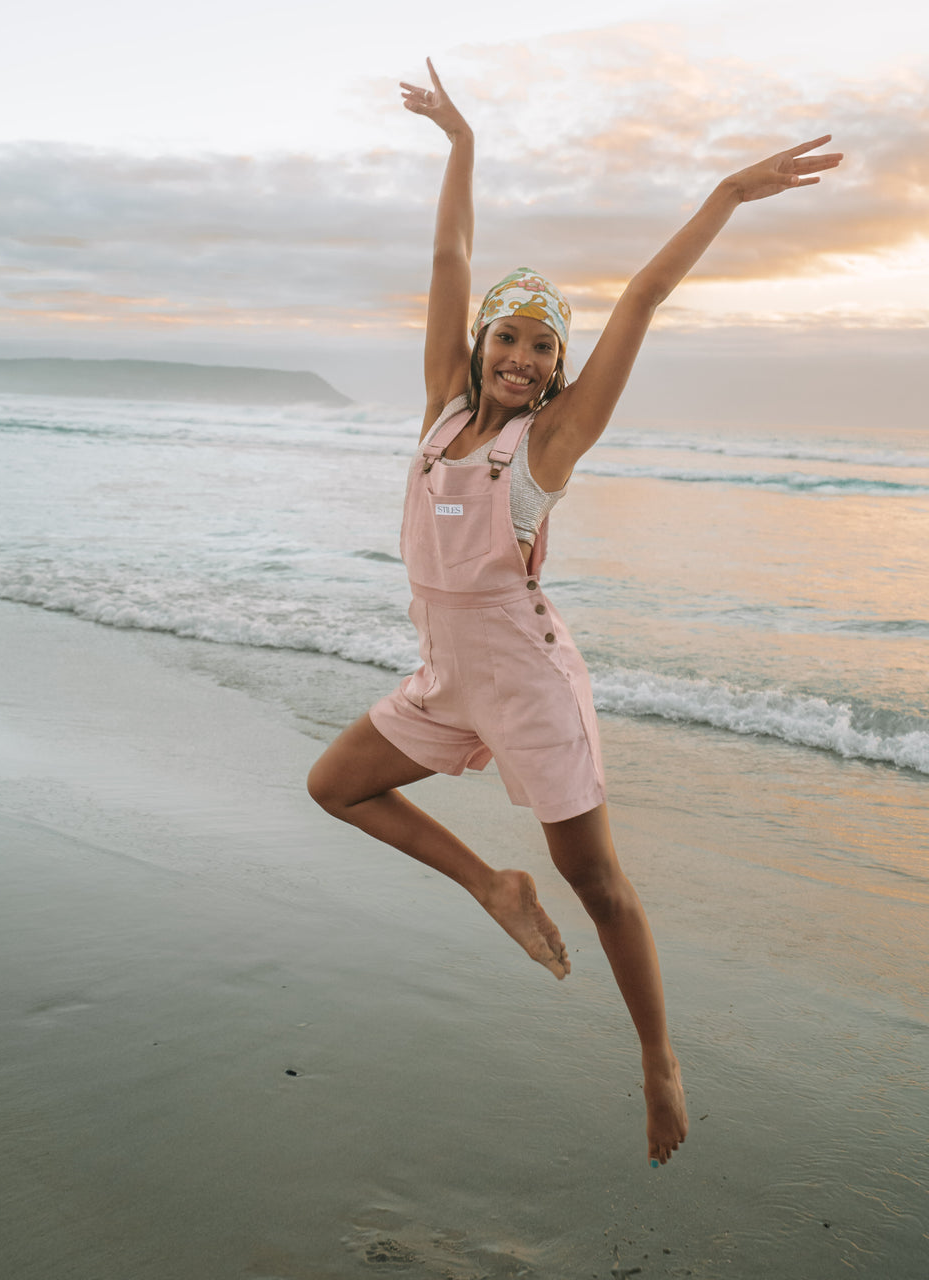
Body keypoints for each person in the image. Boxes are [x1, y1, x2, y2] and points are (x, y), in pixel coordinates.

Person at [307, 58, 842, 1167]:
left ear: (557, 371)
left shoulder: (545, 444)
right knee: (336, 784)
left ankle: (658, 1058)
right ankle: (490, 884)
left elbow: (642, 297)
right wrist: (461, 142)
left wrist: (728, 194)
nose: (519, 356)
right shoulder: (439, 411)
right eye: (507, 336)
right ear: (480, 343)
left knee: (595, 882)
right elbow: (450, 258)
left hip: (529, 688)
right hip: (445, 680)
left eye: (542, 346)